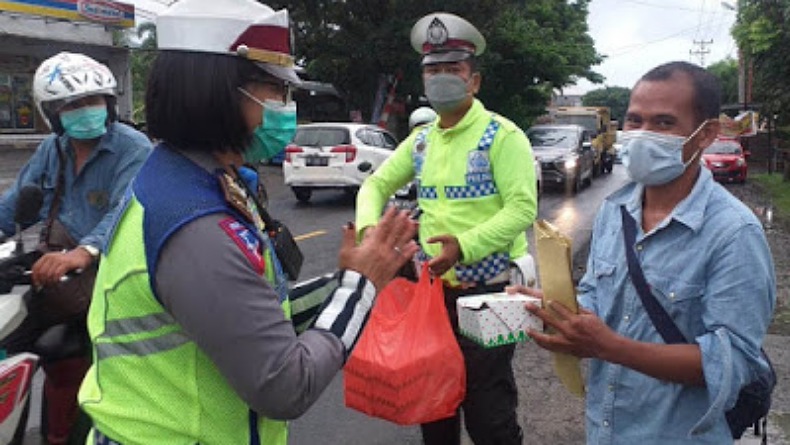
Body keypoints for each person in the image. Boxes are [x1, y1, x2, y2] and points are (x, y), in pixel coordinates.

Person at [76, 1, 419, 443]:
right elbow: (286, 385)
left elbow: (253, 312)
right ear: (217, 92)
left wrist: (348, 280)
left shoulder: (189, 178)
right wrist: (359, 287)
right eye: (274, 90)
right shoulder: (195, 224)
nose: (286, 107)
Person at [513, 61, 776, 444]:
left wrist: (609, 347)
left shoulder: (734, 234)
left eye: (664, 123)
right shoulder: (614, 211)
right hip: (605, 429)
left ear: (706, 135)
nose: (641, 135)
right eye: (634, 121)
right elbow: (597, 297)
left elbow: (731, 362)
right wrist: (556, 306)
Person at [356, 12, 537, 445]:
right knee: (433, 407)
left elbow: (522, 209)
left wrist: (465, 246)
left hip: (493, 292)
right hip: (433, 295)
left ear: (473, 81)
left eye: (452, 70)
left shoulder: (502, 136)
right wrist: (369, 236)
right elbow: (376, 184)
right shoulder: (421, 141)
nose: (441, 79)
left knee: (489, 414)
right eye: (432, 71)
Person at [0, 52, 151, 444]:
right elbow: (17, 202)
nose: (85, 111)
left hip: (113, 276)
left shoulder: (132, 147)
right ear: (53, 113)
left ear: (109, 103)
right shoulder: (53, 148)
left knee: (104, 371)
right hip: (58, 276)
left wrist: (83, 252)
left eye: (92, 101)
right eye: (72, 105)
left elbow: (123, 210)